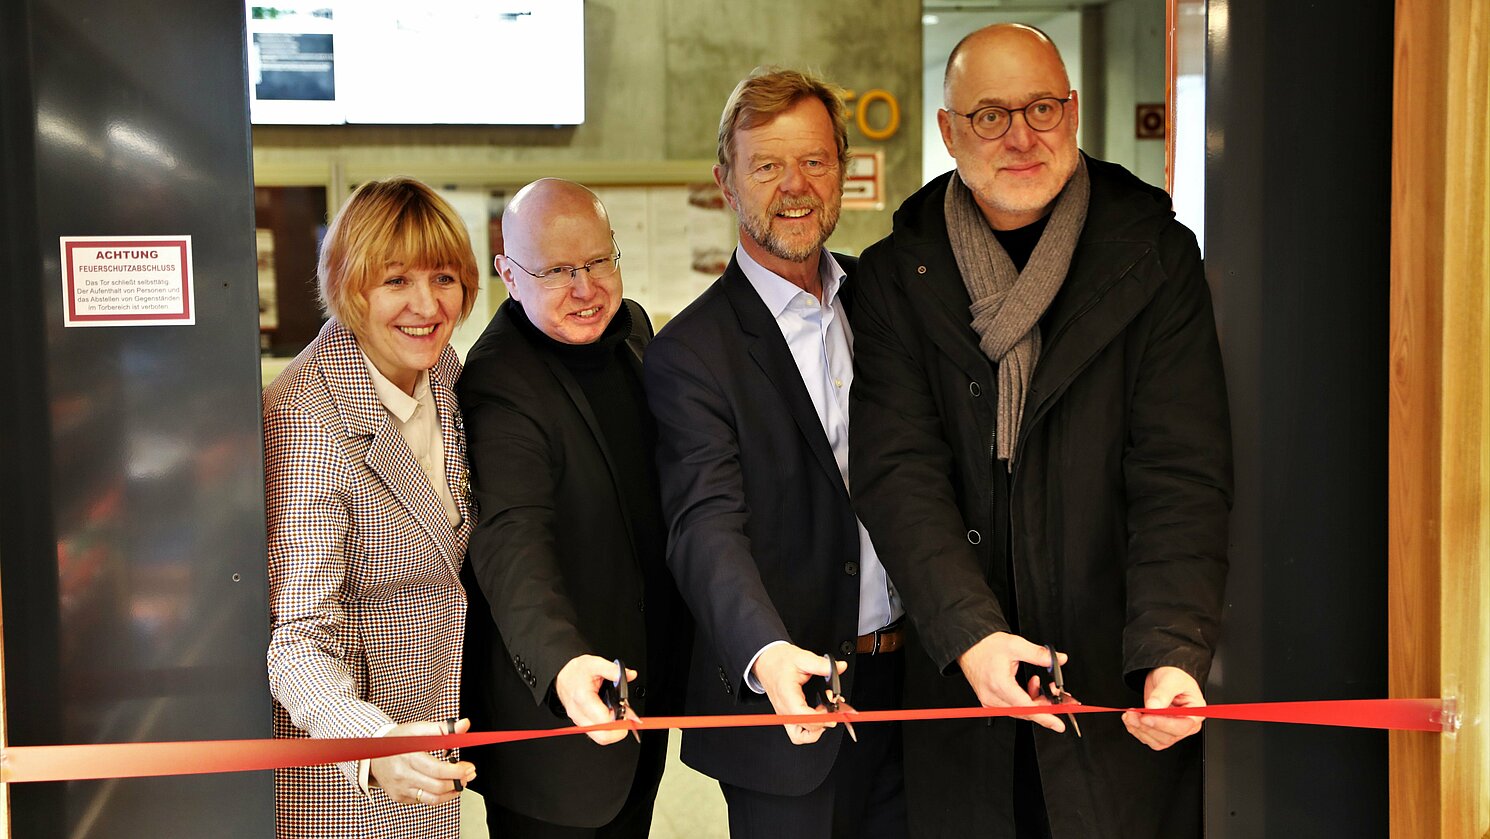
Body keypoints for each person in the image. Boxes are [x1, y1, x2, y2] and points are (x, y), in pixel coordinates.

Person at [847, 23, 1232, 839]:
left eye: (1042, 108)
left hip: (1115, 679)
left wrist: (1171, 649)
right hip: (964, 686)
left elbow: (1181, 474)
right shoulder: (893, 278)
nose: (1021, 136)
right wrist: (971, 635)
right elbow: (897, 472)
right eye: (990, 115)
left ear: (1076, 111)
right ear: (948, 131)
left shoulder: (1156, 258)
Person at [644, 68, 907, 839]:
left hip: (916, 691)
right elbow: (703, 524)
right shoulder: (690, 352)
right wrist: (765, 650)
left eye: (815, 162)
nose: (794, 186)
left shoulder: (883, 302)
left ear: (843, 172)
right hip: (786, 707)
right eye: (767, 166)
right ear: (726, 182)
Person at [458, 178, 688, 838]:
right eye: (557, 270)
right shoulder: (500, 380)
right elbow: (510, 539)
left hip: (639, 697)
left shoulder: (634, 329)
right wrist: (560, 662)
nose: (586, 288)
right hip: (555, 729)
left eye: (597, 261)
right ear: (508, 274)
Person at [264, 177, 481, 838]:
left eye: (444, 276)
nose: (426, 304)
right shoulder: (307, 418)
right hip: (349, 771)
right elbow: (295, 639)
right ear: (350, 288)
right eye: (396, 281)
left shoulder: (444, 370)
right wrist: (372, 740)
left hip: (430, 743)